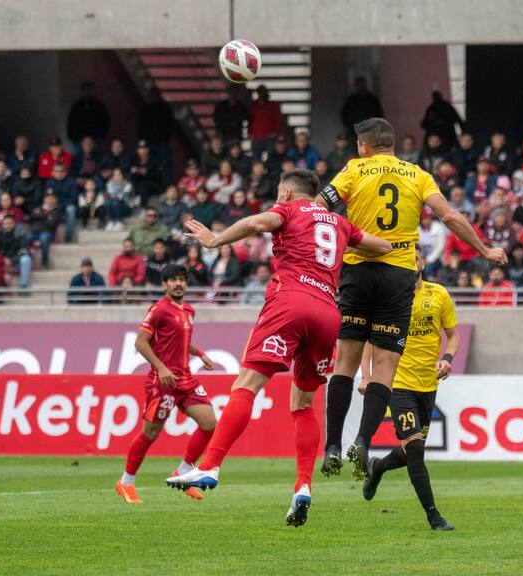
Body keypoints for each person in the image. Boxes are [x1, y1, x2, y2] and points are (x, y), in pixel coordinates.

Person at [167, 170, 392, 527]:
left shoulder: (287, 211)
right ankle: (303, 487)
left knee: (246, 385)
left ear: (286, 193)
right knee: (303, 403)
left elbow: (257, 222)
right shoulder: (339, 223)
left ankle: (209, 466)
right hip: (327, 313)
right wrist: (352, 247)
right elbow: (383, 246)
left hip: (290, 302)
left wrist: (215, 241)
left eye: (277, 192)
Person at [315, 118, 505, 480]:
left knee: (346, 363)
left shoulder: (353, 170)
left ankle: (333, 445)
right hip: (398, 275)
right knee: (385, 366)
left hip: (358, 270)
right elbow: (448, 215)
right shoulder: (417, 175)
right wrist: (484, 249)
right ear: (391, 144)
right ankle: (363, 442)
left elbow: (319, 208)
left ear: (364, 146)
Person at [360, 245, 458, 531]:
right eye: (406, 259)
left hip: (428, 383)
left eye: (415, 259)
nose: (411, 263)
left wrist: (447, 359)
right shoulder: (388, 297)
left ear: (422, 263)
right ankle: (434, 516)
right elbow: (369, 341)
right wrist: (366, 376)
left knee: (411, 450)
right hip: (397, 382)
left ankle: (378, 467)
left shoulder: (439, 294)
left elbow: (453, 336)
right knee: (415, 447)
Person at [115, 265, 217, 505]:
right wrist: (161, 368)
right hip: (162, 381)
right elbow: (141, 343)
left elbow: (181, 341)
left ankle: (184, 472)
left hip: (185, 379)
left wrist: (199, 353)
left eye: (182, 279)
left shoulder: (189, 310)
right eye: (173, 280)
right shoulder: (159, 309)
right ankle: (126, 482)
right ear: (164, 284)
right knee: (150, 433)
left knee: (209, 423)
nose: (178, 283)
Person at [137, 88, 175, 184]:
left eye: (156, 94)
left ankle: (168, 186)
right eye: (152, 94)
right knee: (149, 164)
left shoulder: (165, 108)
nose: (154, 96)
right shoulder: (145, 109)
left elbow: (170, 125)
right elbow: (141, 126)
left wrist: (166, 138)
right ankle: (151, 184)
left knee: (165, 165)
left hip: (162, 142)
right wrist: (143, 140)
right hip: (148, 142)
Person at [0, 215, 31, 289]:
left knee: (26, 259)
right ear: (2, 225)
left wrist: (11, 261)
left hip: (17, 260)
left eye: (10, 223)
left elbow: (24, 251)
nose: (8, 226)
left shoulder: (20, 233)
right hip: (3, 260)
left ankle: (23, 287)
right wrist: (2, 259)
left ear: (14, 224)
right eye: (5, 224)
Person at [250, 85, 284, 161]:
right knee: (255, 159)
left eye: (263, 92)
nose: (261, 94)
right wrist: (250, 132)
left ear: (266, 93)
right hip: (256, 136)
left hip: (270, 137)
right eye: (260, 92)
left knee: (271, 158)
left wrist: (277, 133)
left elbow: (278, 120)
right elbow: (251, 120)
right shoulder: (254, 105)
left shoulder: (273, 105)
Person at [27, 193, 61, 268]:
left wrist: (40, 217)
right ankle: (29, 260)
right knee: (26, 238)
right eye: (47, 198)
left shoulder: (56, 210)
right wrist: (46, 216)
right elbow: (32, 217)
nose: (49, 200)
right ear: (44, 199)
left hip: (48, 232)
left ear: (55, 200)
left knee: (44, 238)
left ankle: (44, 262)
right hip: (35, 232)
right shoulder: (39, 208)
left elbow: (52, 223)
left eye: (51, 198)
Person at [130, 140, 163, 208]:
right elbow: (134, 174)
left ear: (148, 150)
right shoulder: (136, 161)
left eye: (144, 149)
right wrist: (133, 171)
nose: (143, 151)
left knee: (143, 184)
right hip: (140, 186)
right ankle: (136, 198)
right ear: (137, 151)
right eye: (140, 149)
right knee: (132, 181)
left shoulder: (154, 160)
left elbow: (158, 176)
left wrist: (147, 173)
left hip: (154, 185)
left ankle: (143, 206)